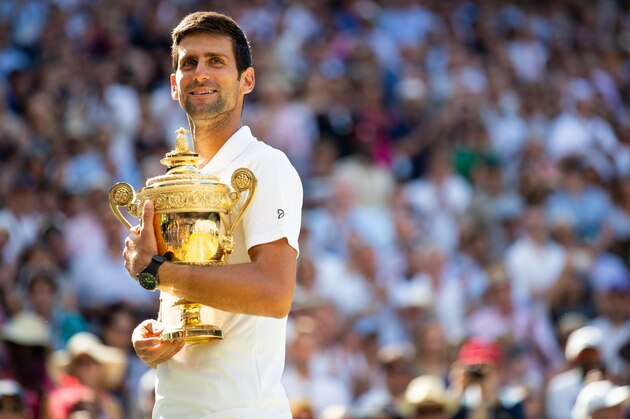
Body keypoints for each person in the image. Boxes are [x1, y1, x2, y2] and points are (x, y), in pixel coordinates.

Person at [122, 11, 303, 419]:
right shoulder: (178, 180)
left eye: (216, 61)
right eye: (189, 63)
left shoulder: (265, 166)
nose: (200, 73)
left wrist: (156, 271)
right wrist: (155, 333)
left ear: (247, 81)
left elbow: (275, 292)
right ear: (174, 85)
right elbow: (194, 289)